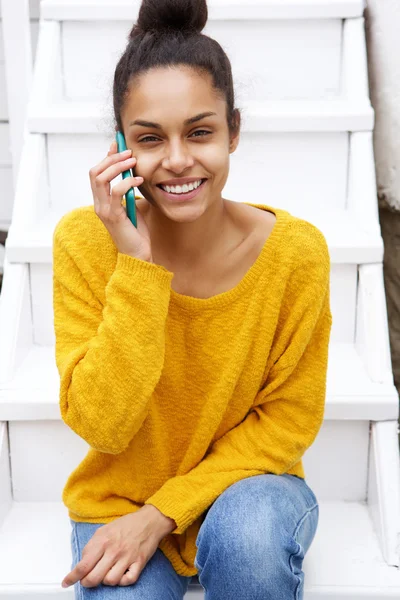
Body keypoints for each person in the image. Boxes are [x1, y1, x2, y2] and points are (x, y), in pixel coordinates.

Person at [52, 0, 333, 597]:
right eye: (150, 139)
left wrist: (162, 513)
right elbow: (101, 425)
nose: (177, 160)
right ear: (121, 147)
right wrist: (135, 264)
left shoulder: (296, 253)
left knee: (249, 545)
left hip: (248, 491)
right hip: (118, 498)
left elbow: (288, 421)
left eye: (200, 132)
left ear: (234, 130)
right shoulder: (85, 242)